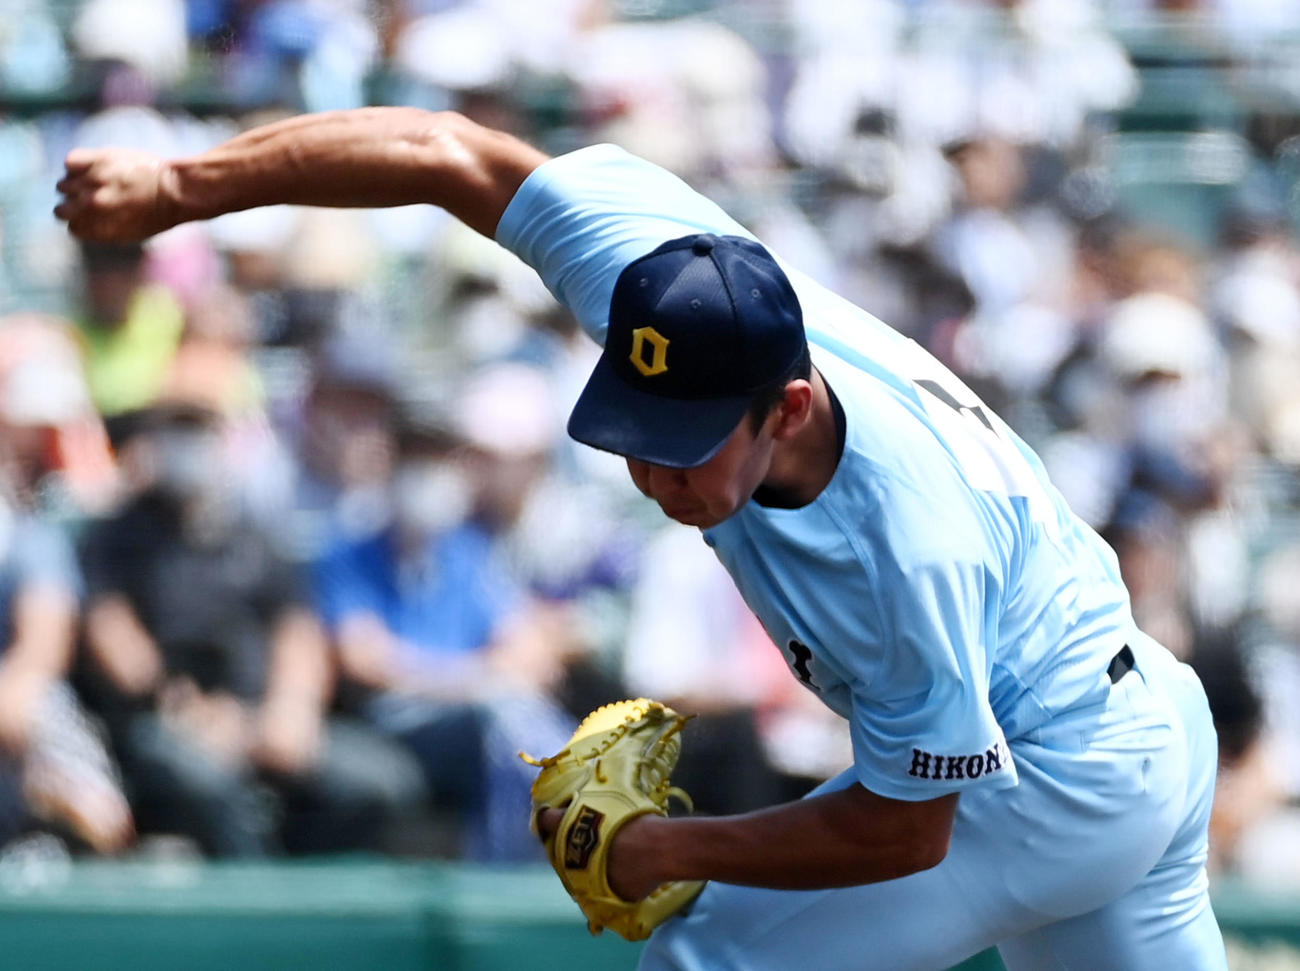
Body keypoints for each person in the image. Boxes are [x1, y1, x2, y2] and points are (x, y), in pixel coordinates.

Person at [54, 107, 1227, 970]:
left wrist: (666, 848)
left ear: (790, 409)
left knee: (704, 961)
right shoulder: (670, 287)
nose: (652, 472)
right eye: (634, 431)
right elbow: (446, 156)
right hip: (1135, 724)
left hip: (1053, 770)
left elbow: (903, 826)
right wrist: (179, 184)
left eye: (685, 443)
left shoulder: (906, 543)